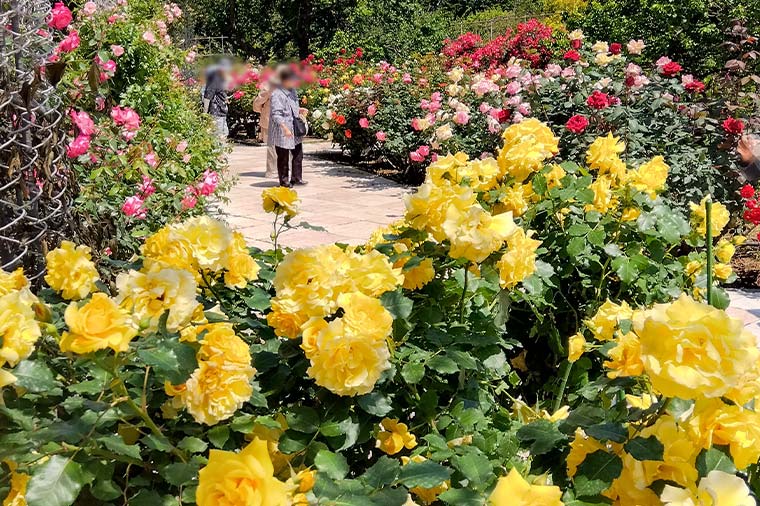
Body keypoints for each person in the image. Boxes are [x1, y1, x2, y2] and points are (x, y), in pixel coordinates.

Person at [269, 66, 307, 187]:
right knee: (283, 156)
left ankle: (296, 178)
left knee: (298, 154)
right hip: (283, 129)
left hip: (294, 127)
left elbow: (292, 108)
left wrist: (300, 110)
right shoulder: (277, 94)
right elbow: (276, 114)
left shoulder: (292, 91)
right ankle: (284, 181)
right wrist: (284, 128)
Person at [253, 69, 278, 178]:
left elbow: (259, 101)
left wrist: (260, 110)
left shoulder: (269, 86)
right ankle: (282, 170)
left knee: (272, 146)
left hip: (271, 118)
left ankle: (271, 171)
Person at [204, 59, 230, 138]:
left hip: (221, 112)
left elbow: (219, 93)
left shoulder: (220, 79)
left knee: (223, 133)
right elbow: (208, 96)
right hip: (216, 112)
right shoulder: (215, 79)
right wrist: (205, 112)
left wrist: (225, 98)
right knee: (218, 135)